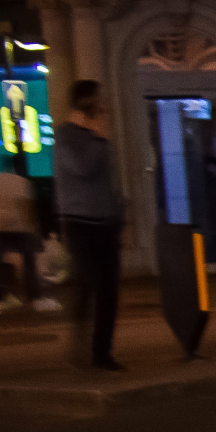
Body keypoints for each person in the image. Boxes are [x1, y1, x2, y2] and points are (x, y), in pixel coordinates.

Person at [54, 79, 124, 370]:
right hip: (80, 222)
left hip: (105, 221)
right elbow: (82, 168)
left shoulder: (97, 138)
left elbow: (105, 179)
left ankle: (100, 353)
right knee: (91, 285)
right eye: (97, 98)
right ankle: (82, 346)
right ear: (84, 101)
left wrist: (118, 209)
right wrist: (97, 136)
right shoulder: (66, 135)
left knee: (106, 289)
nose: (102, 104)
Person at [0, 154, 56, 314]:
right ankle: (35, 298)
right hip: (19, 227)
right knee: (29, 264)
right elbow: (27, 209)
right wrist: (33, 230)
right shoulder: (22, 183)